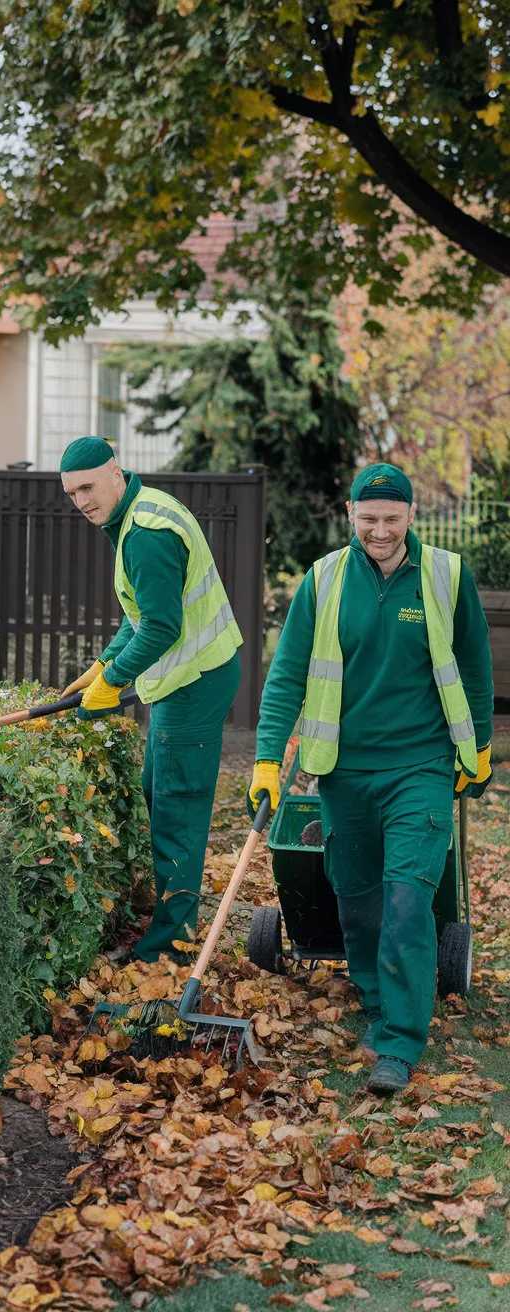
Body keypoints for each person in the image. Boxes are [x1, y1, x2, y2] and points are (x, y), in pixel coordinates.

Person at [248, 463, 494, 1094]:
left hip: (421, 765)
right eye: (369, 518)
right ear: (351, 515)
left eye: (391, 518)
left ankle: (400, 1042)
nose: (380, 531)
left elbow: (474, 668)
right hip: (344, 769)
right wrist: (269, 760)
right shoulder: (324, 579)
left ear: (411, 516)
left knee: (409, 898)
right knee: (358, 902)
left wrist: (481, 748)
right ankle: (377, 998)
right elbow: (286, 676)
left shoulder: (446, 575)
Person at [60, 436, 243, 963]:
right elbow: (142, 612)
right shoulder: (138, 512)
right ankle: (165, 915)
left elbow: (162, 627)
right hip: (188, 677)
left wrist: (113, 681)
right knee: (156, 791)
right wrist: (102, 663)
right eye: (72, 494)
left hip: (195, 681)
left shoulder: (145, 534)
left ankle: (171, 947)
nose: (82, 502)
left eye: (89, 487)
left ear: (116, 472)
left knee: (176, 811)